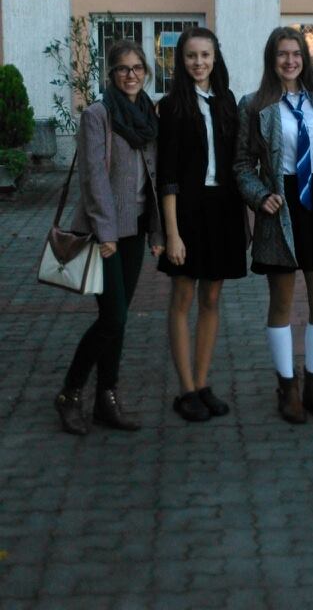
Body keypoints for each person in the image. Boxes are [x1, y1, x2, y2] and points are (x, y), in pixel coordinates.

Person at [234, 26, 313, 424]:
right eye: (282, 54)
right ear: (272, 59)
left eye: (296, 54)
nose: (290, 60)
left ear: (305, 58)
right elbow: (242, 164)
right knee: (282, 303)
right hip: (279, 207)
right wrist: (259, 195)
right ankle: (287, 385)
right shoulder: (254, 105)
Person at [54, 40, 164, 436]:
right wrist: (105, 233)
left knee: (117, 319)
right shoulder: (97, 115)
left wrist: (156, 231)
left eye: (137, 68)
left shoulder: (148, 113)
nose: (130, 75)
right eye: (122, 68)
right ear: (111, 73)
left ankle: (106, 398)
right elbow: (94, 178)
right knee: (113, 316)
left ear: (146, 72)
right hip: (107, 233)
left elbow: (153, 174)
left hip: (136, 228)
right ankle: (69, 393)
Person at [157, 27, 247, 422]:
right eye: (191, 56)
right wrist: (172, 233)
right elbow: (167, 175)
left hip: (223, 210)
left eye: (205, 55)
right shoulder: (172, 106)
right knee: (183, 298)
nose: (199, 63)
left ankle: (202, 381)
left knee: (211, 298)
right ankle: (186, 389)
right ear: (181, 60)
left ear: (215, 58)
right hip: (186, 212)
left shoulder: (226, 101)